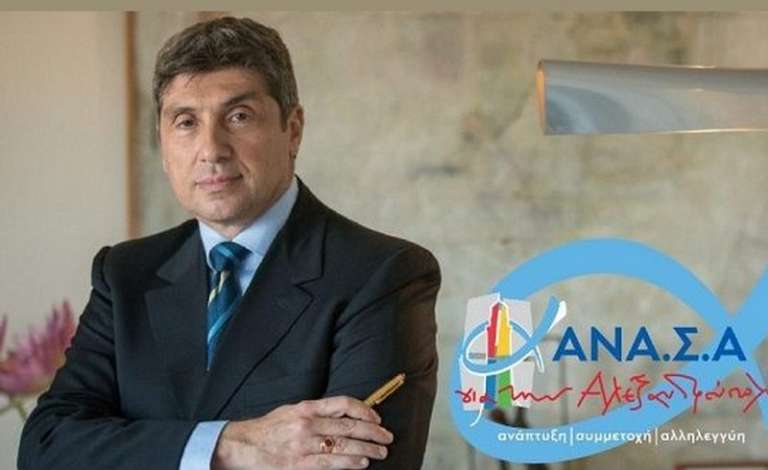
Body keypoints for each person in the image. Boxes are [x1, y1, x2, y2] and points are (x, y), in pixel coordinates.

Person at [18, 16, 440, 470]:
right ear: (163, 144)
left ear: (293, 129)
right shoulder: (124, 274)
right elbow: (46, 448)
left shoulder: (383, 274)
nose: (211, 149)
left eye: (239, 116)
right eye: (185, 122)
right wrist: (228, 446)